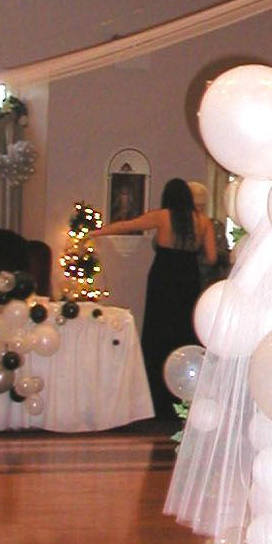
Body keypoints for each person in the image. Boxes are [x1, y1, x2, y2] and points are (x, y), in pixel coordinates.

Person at [93, 177, 215, 418]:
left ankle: (155, 395)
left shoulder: (162, 216)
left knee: (159, 329)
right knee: (184, 328)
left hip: (164, 276)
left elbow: (127, 225)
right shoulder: (203, 222)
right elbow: (211, 258)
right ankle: (183, 390)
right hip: (187, 276)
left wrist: (96, 232)